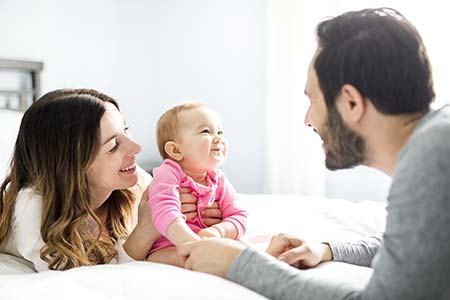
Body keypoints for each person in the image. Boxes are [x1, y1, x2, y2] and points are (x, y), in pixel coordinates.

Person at [178, 8, 450, 299]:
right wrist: (327, 250)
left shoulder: (431, 158)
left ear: (351, 103)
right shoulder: (436, 140)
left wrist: (238, 263)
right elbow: (411, 251)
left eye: (313, 99)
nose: (308, 119)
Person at [0, 89, 222, 272]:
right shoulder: (34, 209)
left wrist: (204, 213)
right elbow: (82, 283)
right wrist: (145, 231)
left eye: (126, 129)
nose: (136, 148)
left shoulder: (133, 182)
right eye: (114, 145)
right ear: (73, 166)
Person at [146, 103, 248, 267]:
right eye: (206, 132)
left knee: (242, 249)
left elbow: (239, 216)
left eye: (220, 132)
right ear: (176, 151)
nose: (218, 138)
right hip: (172, 245)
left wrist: (218, 231)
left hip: (209, 241)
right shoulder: (168, 174)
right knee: (178, 258)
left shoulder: (218, 179)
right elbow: (165, 212)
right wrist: (192, 244)